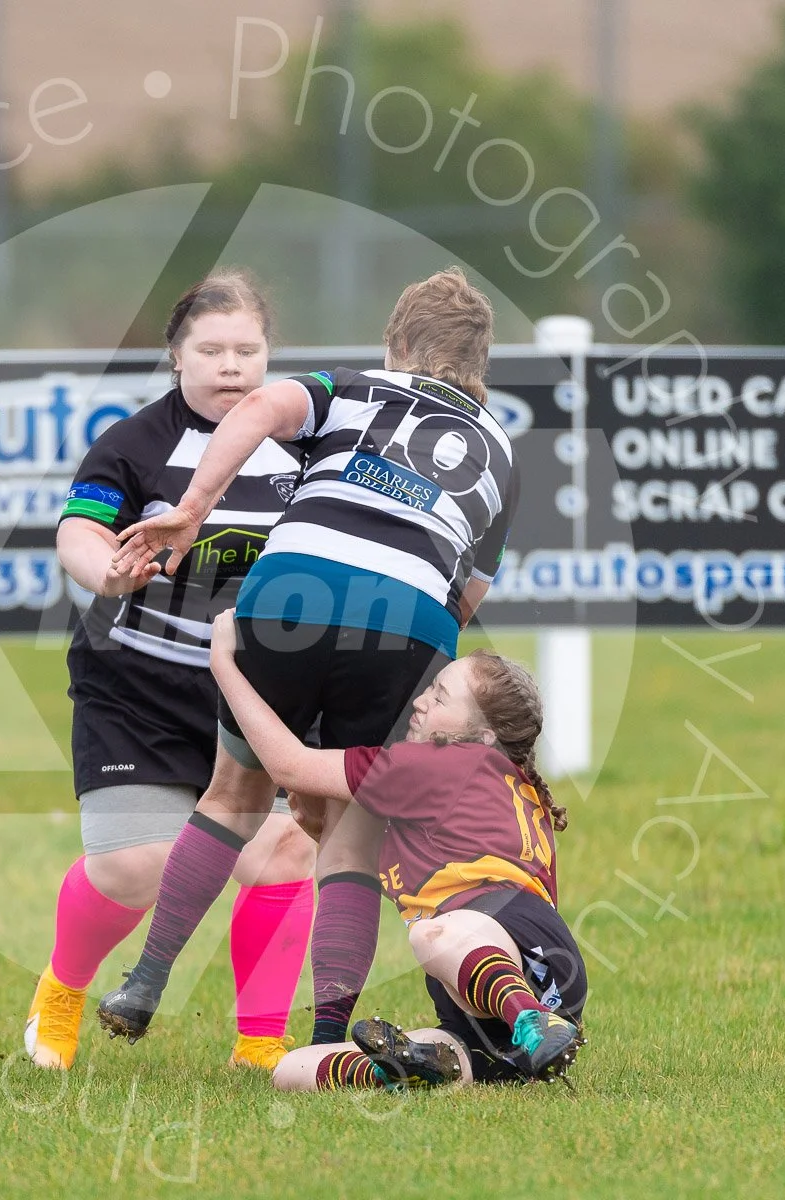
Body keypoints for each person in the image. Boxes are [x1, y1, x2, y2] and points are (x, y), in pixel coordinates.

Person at [98, 267, 520, 1049]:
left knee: (230, 797)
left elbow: (259, 409)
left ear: (397, 342)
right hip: (413, 617)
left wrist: (191, 510)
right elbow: (472, 590)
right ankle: (329, 1032)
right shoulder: (502, 452)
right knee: (351, 837)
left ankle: (146, 981)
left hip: (296, 584)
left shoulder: (353, 386)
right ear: (480, 362)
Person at [26, 271, 316, 1074]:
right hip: (139, 688)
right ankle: (62, 990)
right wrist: (109, 573)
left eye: (248, 351)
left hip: (264, 691)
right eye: (211, 350)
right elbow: (77, 532)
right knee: (134, 866)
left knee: (284, 852)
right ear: (175, 357)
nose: (231, 366)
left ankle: (260, 1047)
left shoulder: (309, 442)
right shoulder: (135, 443)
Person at [206, 611, 586, 1091]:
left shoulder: (442, 764)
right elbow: (418, 871)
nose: (421, 702)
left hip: (514, 962)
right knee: (293, 1071)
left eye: (440, 695)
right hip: (501, 987)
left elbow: (289, 765)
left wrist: (224, 664)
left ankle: (531, 1020)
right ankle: (417, 1067)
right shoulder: (492, 779)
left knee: (432, 935)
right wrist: (328, 835)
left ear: (482, 734)